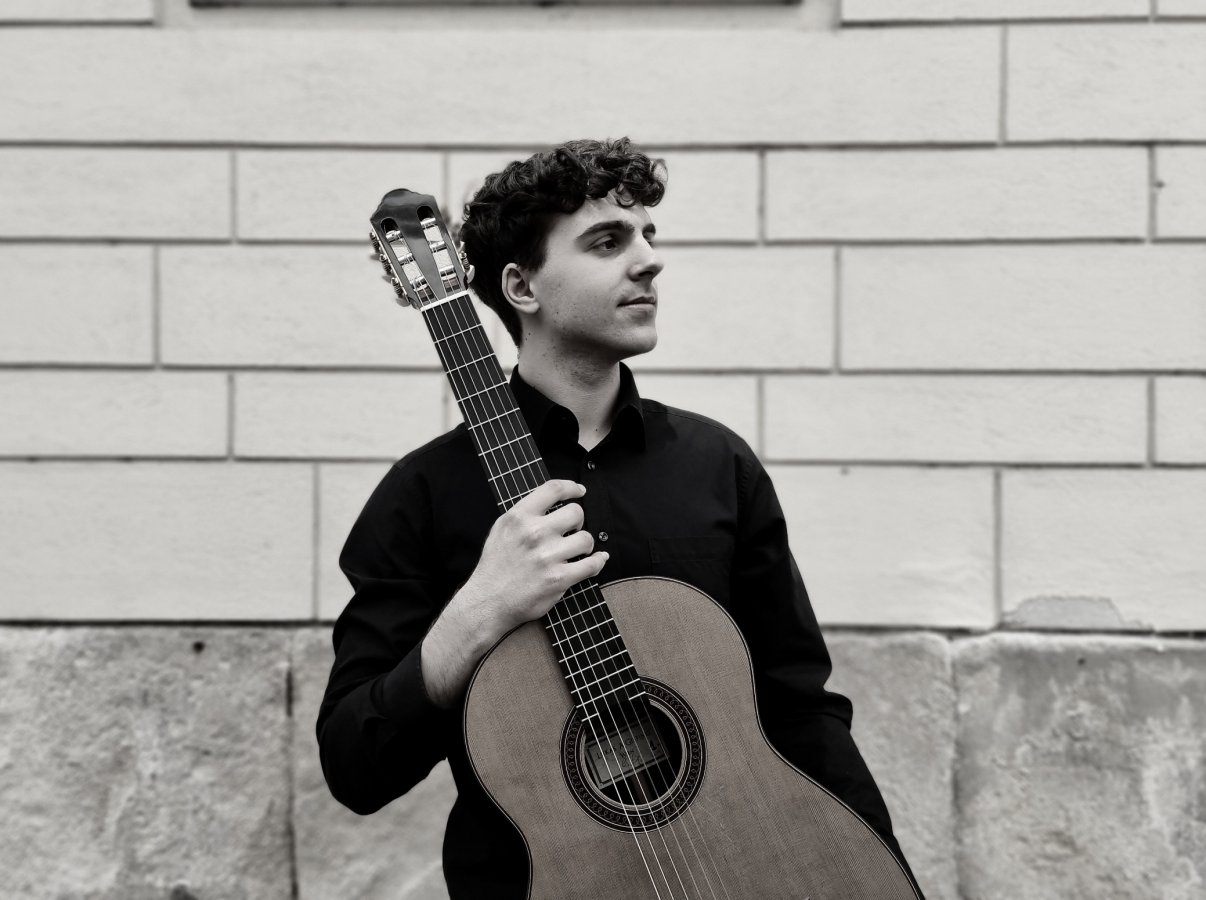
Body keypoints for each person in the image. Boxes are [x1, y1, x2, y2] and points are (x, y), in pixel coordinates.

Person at [317, 137, 920, 897]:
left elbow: (802, 709)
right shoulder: (423, 493)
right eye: (608, 242)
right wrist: (479, 611)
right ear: (522, 287)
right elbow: (355, 768)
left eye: (647, 236)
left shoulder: (716, 466)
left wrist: (880, 877)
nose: (649, 261)